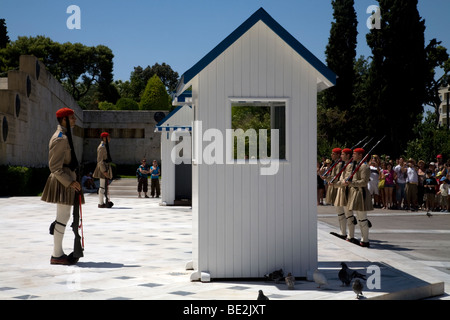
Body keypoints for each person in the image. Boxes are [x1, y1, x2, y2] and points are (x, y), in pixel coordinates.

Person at [41, 107, 82, 265]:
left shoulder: (64, 136)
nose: (75, 120)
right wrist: (70, 182)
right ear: (63, 120)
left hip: (66, 179)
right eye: (72, 118)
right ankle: (57, 254)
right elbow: (54, 167)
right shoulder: (61, 138)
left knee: (63, 216)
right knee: (63, 216)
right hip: (62, 181)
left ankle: (57, 253)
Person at [346, 148, 373, 247]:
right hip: (354, 192)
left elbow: (364, 182)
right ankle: (363, 238)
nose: (353, 155)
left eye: (355, 154)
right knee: (358, 216)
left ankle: (365, 240)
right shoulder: (355, 165)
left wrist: (351, 182)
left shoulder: (364, 167)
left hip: (361, 193)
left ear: (360, 155)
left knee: (362, 218)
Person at [331, 148, 355, 240]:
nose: (341, 156)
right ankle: (343, 232)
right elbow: (341, 178)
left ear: (348, 156)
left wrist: (339, 182)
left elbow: (346, 179)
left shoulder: (350, 165)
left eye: (343, 154)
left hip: (347, 191)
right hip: (341, 189)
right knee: (340, 212)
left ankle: (351, 235)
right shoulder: (345, 165)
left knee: (348, 213)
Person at [93, 132, 113, 208]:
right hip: (102, 168)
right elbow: (100, 160)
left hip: (105, 166)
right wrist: (104, 171)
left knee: (104, 186)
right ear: (104, 138)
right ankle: (101, 203)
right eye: (108, 137)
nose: (109, 138)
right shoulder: (102, 147)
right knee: (102, 187)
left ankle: (104, 202)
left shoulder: (105, 146)